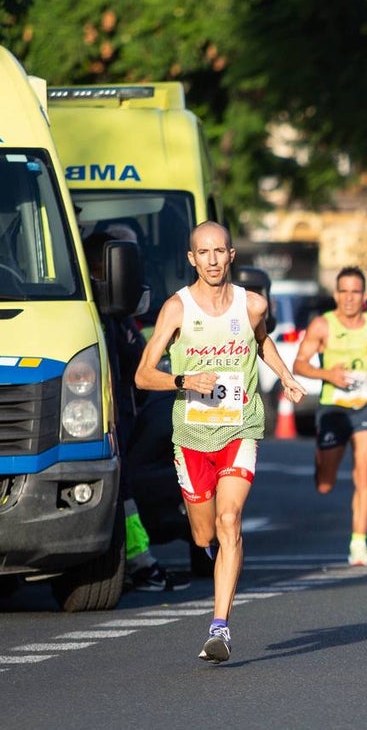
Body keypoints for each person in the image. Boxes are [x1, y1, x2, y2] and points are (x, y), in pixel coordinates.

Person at [135, 221, 306, 663]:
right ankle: (209, 549)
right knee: (203, 532)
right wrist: (183, 378)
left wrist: (286, 377)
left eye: (219, 252)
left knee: (230, 520)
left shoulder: (253, 305)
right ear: (192, 259)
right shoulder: (176, 308)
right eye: (203, 253)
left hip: (240, 427)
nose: (212, 260)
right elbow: (142, 374)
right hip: (192, 435)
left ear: (232, 255)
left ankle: (220, 627)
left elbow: (262, 340)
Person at [83, 228, 189, 593]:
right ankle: (140, 563)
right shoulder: (107, 313)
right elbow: (133, 365)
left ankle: (136, 561)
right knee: (122, 489)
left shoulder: (111, 312)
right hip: (111, 416)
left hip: (115, 415)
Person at [293, 266, 367, 566]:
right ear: (335, 295)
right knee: (325, 483)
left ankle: (359, 543)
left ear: (364, 296)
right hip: (334, 406)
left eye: (355, 292)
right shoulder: (322, 325)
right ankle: (322, 464)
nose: (349, 298)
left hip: (366, 406)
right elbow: (300, 364)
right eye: (343, 291)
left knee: (364, 468)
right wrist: (327, 374)